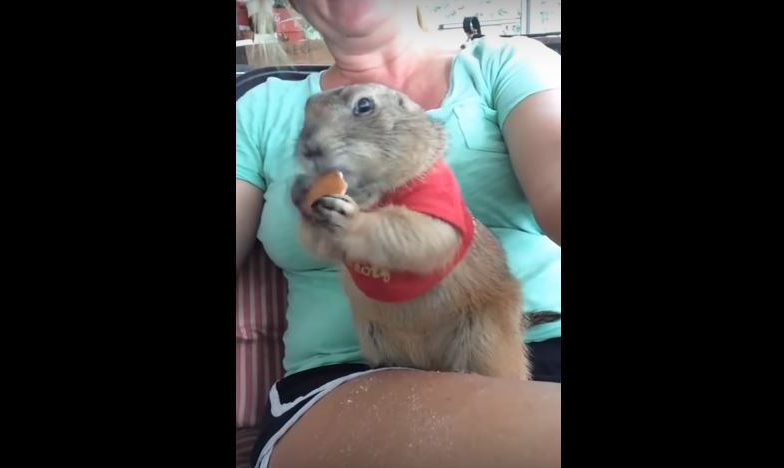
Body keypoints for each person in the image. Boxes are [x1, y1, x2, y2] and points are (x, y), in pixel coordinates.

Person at [236, 2, 561, 467]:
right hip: (360, 374)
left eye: (362, 111)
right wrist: (324, 223)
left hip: (506, 340)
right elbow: (325, 246)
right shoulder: (260, 109)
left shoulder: (505, 63)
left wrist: (357, 225)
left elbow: (435, 242)